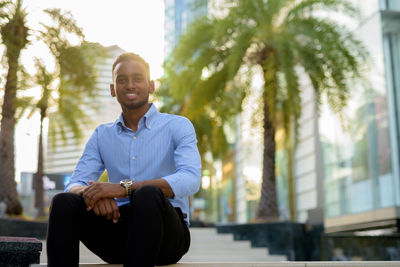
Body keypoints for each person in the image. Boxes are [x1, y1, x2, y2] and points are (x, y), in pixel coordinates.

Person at [46, 52, 202, 267]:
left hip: (167, 235)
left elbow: (190, 179)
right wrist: (97, 195)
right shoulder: (102, 134)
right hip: (116, 231)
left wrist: (123, 189)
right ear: (113, 89)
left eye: (137, 78)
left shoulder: (178, 126)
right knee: (63, 202)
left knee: (147, 194)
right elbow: (74, 184)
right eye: (121, 79)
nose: (130, 85)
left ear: (151, 86)